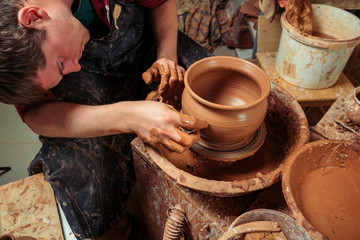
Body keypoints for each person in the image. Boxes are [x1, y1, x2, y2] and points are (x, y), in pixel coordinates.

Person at [0, 0, 208, 239]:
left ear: (34, 16)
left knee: (208, 92)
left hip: (146, 46)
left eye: (60, 63)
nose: (73, 66)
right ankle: (128, 230)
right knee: (80, 172)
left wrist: (167, 58)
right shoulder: (13, 49)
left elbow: (159, 2)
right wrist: (128, 116)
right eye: (61, 68)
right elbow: (36, 114)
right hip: (88, 86)